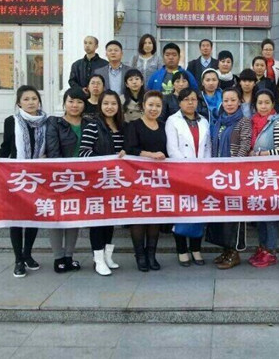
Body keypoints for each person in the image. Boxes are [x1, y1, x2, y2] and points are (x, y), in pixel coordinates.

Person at [0, 85, 48, 278]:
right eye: (26, 99)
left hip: (38, 176)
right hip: (17, 177)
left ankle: (27, 254)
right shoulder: (11, 121)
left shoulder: (47, 122)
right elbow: (6, 146)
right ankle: (18, 260)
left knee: (33, 217)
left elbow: (50, 146)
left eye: (34, 98)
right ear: (19, 103)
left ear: (39, 101)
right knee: (16, 218)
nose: (31, 102)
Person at [79, 90, 127, 276]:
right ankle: (97, 259)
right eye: (106, 103)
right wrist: (106, 160)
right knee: (98, 221)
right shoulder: (93, 125)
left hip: (115, 181)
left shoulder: (122, 126)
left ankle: (107, 256)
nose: (110, 107)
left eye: (113, 104)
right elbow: (84, 152)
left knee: (110, 220)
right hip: (98, 181)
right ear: (100, 105)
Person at [165, 88, 211, 266]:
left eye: (193, 99)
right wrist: (188, 168)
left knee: (199, 212)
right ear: (180, 102)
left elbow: (208, 148)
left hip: (201, 174)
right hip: (181, 173)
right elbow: (172, 148)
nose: (190, 103)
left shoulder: (204, 121)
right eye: (186, 99)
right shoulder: (172, 120)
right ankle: (182, 250)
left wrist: (204, 168)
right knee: (182, 212)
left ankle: (196, 249)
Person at [208, 87, 251, 270]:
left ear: (239, 101)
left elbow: (245, 145)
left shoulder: (244, 121)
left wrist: (233, 167)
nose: (229, 104)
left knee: (234, 214)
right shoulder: (219, 121)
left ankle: (235, 252)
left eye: (233, 100)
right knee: (222, 214)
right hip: (218, 176)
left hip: (235, 176)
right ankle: (226, 250)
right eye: (226, 100)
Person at [45, 87, 87, 273]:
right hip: (60, 177)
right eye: (71, 101)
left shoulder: (89, 123)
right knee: (56, 217)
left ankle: (69, 256)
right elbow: (53, 150)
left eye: (79, 101)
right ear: (64, 103)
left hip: (83, 178)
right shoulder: (55, 123)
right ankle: (58, 257)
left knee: (73, 216)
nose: (74, 105)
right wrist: (64, 172)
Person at [125, 91, 167, 272]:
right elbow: (130, 149)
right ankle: (140, 255)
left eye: (158, 106)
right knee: (139, 217)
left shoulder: (164, 126)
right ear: (143, 105)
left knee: (154, 217)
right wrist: (151, 155)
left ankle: (151, 254)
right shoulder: (134, 125)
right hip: (137, 179)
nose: (154, 109)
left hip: (158, 180)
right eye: (150, 105)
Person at [248, 89, 279, 268]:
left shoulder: (277, 122)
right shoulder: (254, 122)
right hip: (257, 176)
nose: (263, 106)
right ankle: (262, 247)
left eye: (267, 103)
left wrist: (258, 154)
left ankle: (271, 250)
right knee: (261, 214)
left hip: (272, 176)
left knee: (270, 215)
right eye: (260, 103)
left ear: (273, 104)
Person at [199, 68, 223, 135]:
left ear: (218, 81)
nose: (211, 83)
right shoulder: (198, 98)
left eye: (214, 80)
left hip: (222, 132)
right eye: (208, 80)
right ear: (202, 82)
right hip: (203, 133)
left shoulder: (225, 96)